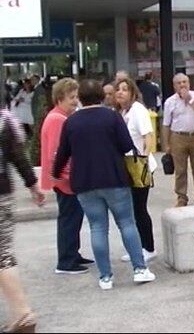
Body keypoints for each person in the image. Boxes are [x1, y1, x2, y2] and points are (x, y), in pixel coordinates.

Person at [52, 79, 156, 291]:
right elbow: (127, 145)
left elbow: (63, 153)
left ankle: (106, 276)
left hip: (84, 182)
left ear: (80, 98)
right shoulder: (112, 116)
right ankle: (139, 269)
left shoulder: (71, 122)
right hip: (114, 178)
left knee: (97, 228)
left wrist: (55, 173)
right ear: (101, 96)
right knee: (127, 223)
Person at [40, 78, 93, 275]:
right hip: (65, 180)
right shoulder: (58, 120)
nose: (75, 101)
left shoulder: (57, 117)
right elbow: (58, 153)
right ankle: (66, 260)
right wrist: (69, 176)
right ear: (60, 98)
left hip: (62, 178)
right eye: (71, 97)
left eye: (76, 96)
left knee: (71, 217)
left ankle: (72, 254)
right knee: (70, 219)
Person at [0, 104, 44, 332]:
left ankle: (22, 312)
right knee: (3, 252)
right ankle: (22, 313)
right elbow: (18, 155)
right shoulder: (4, 119)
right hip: (3, 194)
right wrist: (33, 185)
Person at [114, 79, 158, 263]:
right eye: (118, 89)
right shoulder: (121, 112)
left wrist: (144, 158)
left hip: (139, 165)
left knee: (139, 208)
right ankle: (137, 246)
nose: (120, 92)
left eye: (125, 89)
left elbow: (148, 135)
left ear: (133, 93)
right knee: (131, 209)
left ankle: (149, 247)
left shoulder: (138, 110)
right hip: (127, 166)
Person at [162, 74, 194, 207]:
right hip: (178, 137)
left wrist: (190, 100)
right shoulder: (170, 102)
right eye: (179, 83)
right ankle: (181, 197)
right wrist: (166, 145)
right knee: (180, 170)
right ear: (174, 86)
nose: (182, 85)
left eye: (184, 82)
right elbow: (166, 124)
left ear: (189, 83)